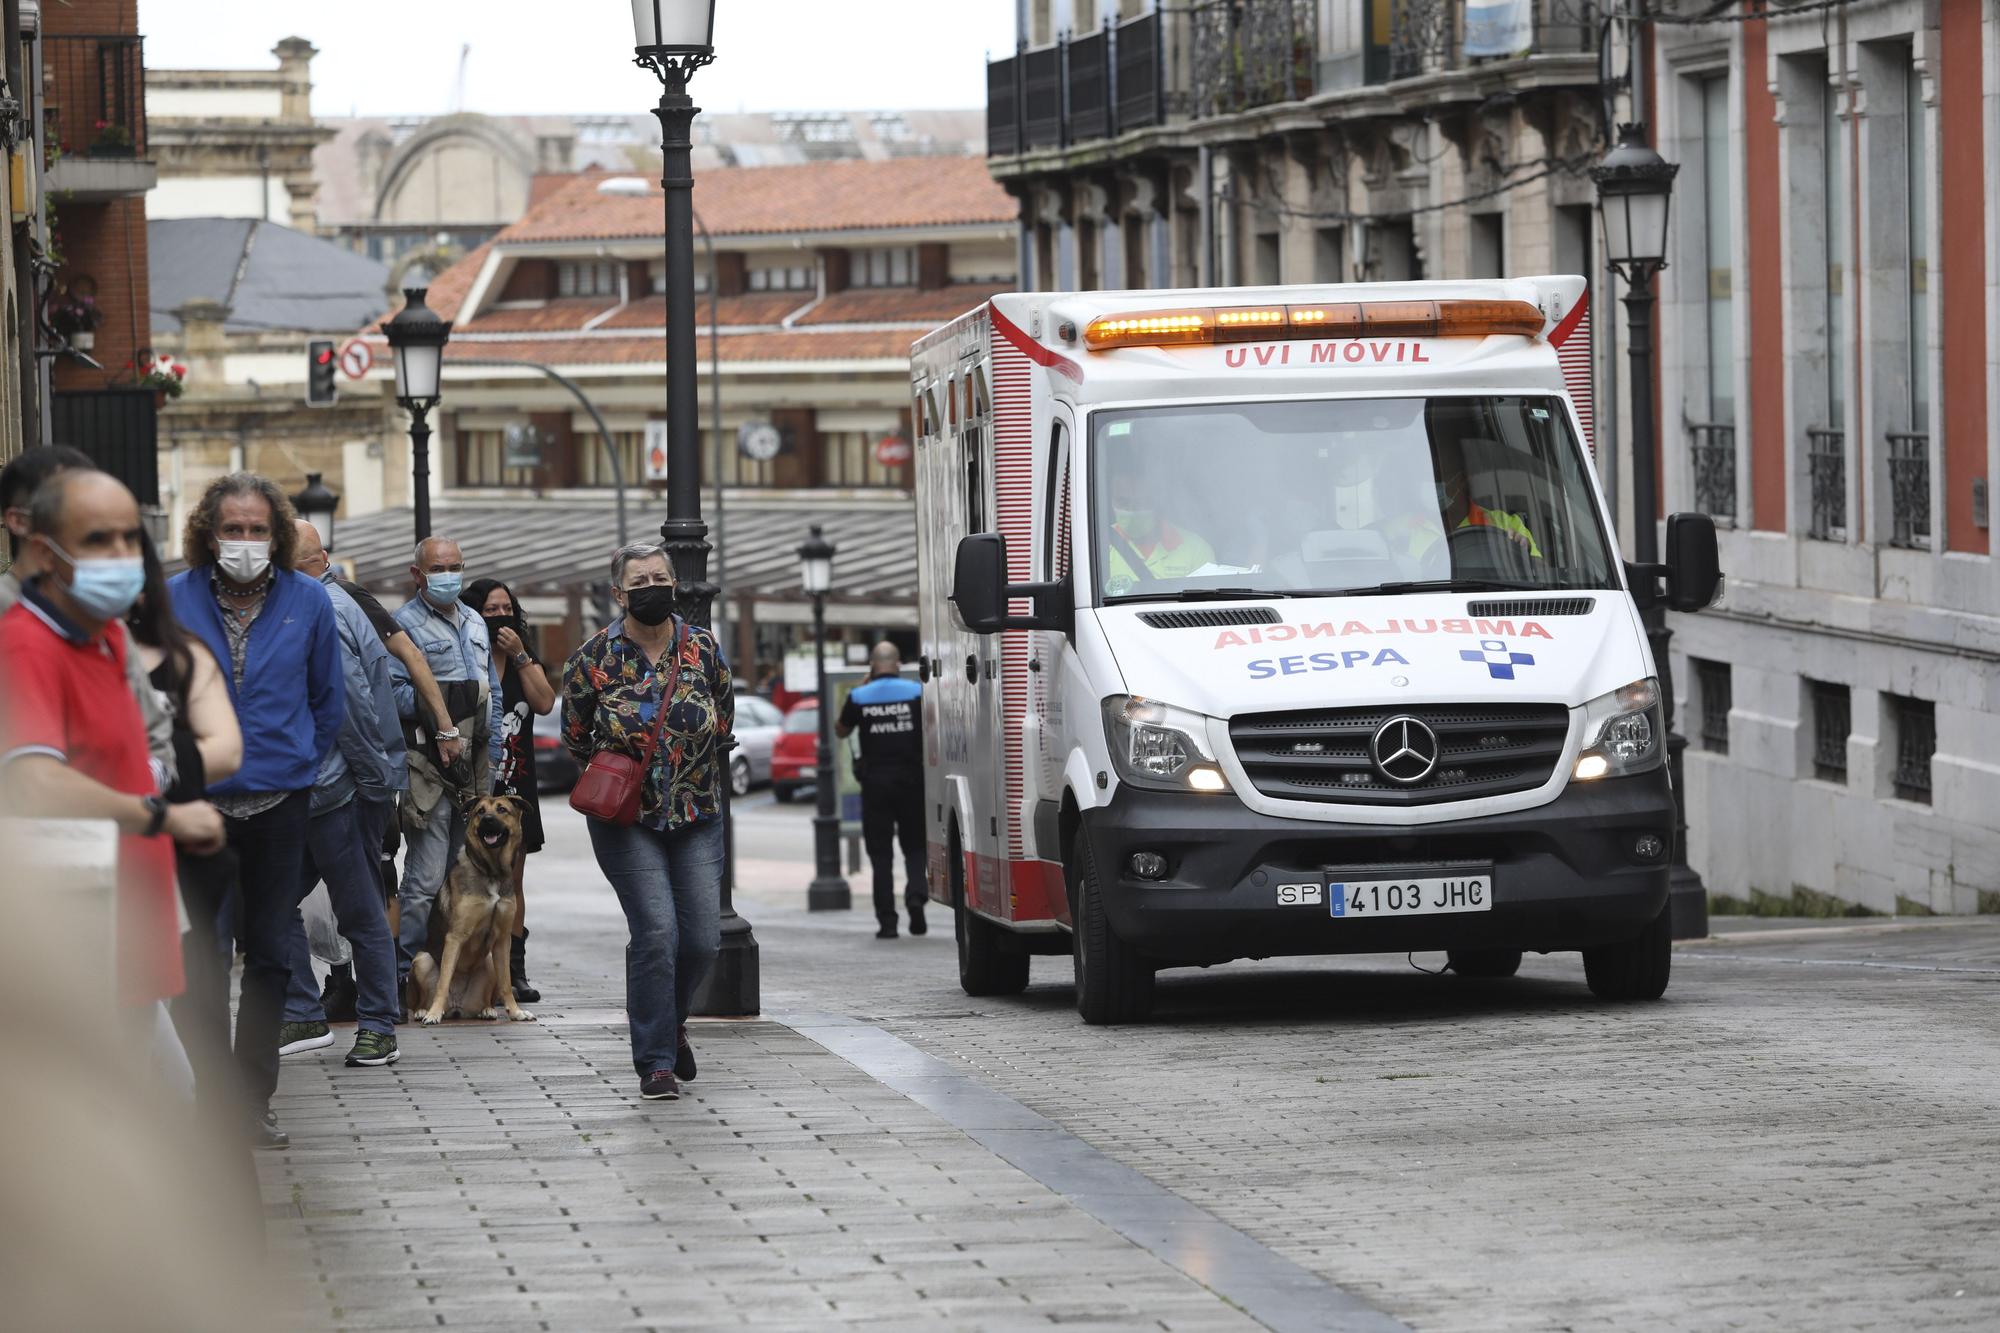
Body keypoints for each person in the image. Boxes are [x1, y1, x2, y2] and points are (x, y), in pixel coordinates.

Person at [0, 470, 226, 1096]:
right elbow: (36, 780)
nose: (124, 556)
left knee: (173, 1111)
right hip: (79, 934)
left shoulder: (103, 638)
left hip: (129, 921)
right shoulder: (26, 645)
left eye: (132, 538)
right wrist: (165, 817)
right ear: (44, 551)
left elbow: (141, 749)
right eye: (100, 539)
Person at [167, 473, 341, 1151]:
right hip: (198, 803)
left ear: (279, 533)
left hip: (279, 804)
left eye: (257, 529)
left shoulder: (309, 602)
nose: (244, 541)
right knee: (195, 955)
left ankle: (252, 1096)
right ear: (209, 534)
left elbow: (327, 700)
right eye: (231, 529)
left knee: (270, 953)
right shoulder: (173, 601)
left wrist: (296, 759)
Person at [561, 543, 731, 1103]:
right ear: (618, 594)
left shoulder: (702, 648)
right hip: (626, 819)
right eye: (641, 581)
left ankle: (672, 1021)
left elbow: (722, 718)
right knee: (658, 932)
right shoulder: (593, 659)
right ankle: (655, 1061)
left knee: (703, 940)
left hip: (696, 812)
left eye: (662, 576)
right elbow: (576, 737)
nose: (653, 586)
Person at [124, 528, 245, 1131]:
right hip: (75, 875)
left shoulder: (180, 654)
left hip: (163, 866)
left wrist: (152, 771)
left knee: (174, 1039)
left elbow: (224, 748)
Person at [310, 541, 455, 1020]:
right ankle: (364, 998)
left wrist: (445, 727)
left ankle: (373, 1000)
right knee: (353, 891)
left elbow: (375, 684)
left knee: (368, 886)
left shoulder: (341, 603)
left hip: (349, 778)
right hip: (341, 776)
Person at [277, 521, 402, 1068]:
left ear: (317, 560)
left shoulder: (321, 608)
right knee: (273, 904)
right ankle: (306, 1011)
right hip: (298, 793)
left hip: (337, 792)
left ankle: (376, 1024)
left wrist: (375, 789)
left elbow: (352, 707)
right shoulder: (301, 605)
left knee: (358, 912)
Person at [2, 446, 177, 792]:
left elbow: (156, 737)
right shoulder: (14, 627)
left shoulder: (105, 625)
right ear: (18, 521)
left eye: (129, 537)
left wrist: (135, 794)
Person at [391, 535, 498, 989]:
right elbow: (393, 694)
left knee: (468, 871)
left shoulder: (475, 620)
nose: (448, 576)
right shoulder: (403, 624)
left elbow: (491, 686)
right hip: (429, 766)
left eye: (455, 566)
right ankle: (400, 975)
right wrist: (444, 710)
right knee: (425, 875)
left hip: (476, 766)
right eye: (438, 569)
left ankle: (455, 973)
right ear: (417, 574)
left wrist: (496, 750)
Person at [465, 576, 555, 1004]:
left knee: (512, 881)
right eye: (491, 610)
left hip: (515, 790)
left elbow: (544, 703)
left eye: (507, 609)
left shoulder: (523, 658)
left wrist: (520, 654)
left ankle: (513, 970)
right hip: (473, 787)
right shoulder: (468, 657)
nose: (500, 617)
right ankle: (471, 966)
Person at [836, 642, 927, 940]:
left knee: (881, 854)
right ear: (897, 664)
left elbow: (841, 730)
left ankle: (887, 922)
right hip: (912, 781)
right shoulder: (916, 692)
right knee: (914, 846)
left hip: (875, 784)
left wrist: (864, 688)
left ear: (873, 666)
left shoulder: (860, 696)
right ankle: (916, 897)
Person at [1103, 464, 1216, 589]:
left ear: (1157, 501)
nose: (1132, 510)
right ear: (1110, 501)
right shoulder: (1097, 548)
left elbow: (1205, 603)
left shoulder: (1196, 550)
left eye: (1142, 502)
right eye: (1123, 502)